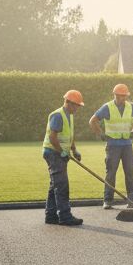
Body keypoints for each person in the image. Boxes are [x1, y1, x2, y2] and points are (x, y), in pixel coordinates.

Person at [89, 83, 133, 209]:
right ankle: (107, 200)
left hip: (127, 145)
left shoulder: (130, 107)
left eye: (124, 96)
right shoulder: (107, 107)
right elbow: (92, 121)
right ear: (115, 95)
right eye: (119, 96)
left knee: (129, 172)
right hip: (113, 146)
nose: (122, 98)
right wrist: (101, 134)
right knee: (111, 173)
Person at [43, 90, 84, 226]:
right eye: (77, 105)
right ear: (69, 103)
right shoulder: (57, 115)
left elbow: (69, 136)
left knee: (55, 185)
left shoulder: (69, 115)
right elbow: (52, 138)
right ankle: (65, 216)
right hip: (53, 153)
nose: (78, 108)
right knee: (61, 186)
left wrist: (74, 150)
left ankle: (50, 215)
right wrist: (62, 152)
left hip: (59, 153)